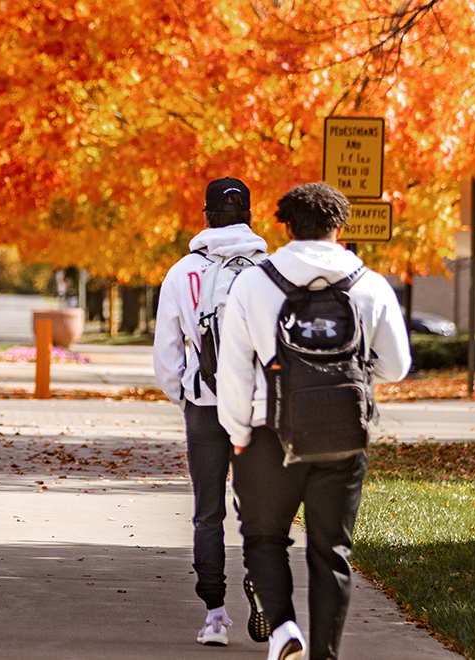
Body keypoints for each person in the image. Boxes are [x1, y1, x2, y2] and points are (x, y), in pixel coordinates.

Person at [216, 183, 410, 660]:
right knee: (332, 552)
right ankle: (325, 654)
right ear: (339, 227)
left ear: (285, 225)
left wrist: (238, 435)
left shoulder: (254, 283)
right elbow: (398, 366)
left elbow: (235, 370)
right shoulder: (369, 283)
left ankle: (283, 630)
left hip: (268, 435)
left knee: (263, 537)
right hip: (344, 436)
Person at [154, 177, 270, 646]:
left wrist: (183, 392)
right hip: (258, 408)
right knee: (260, 508)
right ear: (248, 216)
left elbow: (167, 353)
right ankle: (264, 583)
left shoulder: (183, 272)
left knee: (208, 511)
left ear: (205, 216)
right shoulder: (272, 271)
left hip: (205, 404)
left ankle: (215, 615)